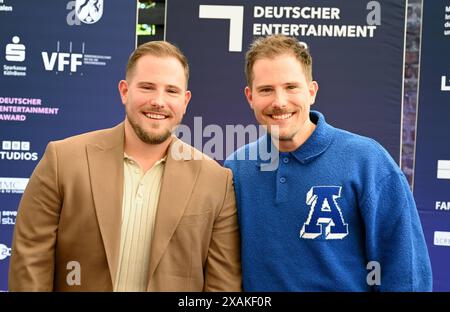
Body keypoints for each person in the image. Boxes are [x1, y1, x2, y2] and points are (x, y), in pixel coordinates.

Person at [9, 41, 241, 291]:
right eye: (147, 87)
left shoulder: (216, 181)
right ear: (124, 91)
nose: (158, 101)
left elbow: (223, 286)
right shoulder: (63, 160)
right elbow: (30, 262)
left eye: (171, 91)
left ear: (185, 101)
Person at [224, 34, 432, 291]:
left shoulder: (367, 162)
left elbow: (406, 272)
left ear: (311, 92)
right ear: (250, 97)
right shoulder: (236, 169)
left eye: (291, 87)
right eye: (266, 89)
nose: (279, 102)